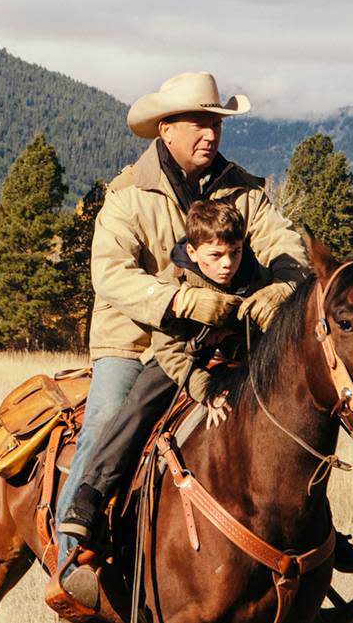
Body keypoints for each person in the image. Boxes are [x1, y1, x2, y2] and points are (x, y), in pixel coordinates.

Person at [51, 71, 353, 607]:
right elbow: (109, 274)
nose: (210, 134)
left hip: (230, 339)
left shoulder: (243, 189)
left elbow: (285, 245)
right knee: (109, 417)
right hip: (140, 341)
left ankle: (314, 550)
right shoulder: (129, 195)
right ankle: (74, 553)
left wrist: (284, 288)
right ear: (166, 128)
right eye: (199, 123)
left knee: (290, 418)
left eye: (216, 123)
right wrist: (178, 302)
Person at [59, 199, 265, 544]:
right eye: (216, 256)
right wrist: (206, 389)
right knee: (137, 406)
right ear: (194, 251)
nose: (228, 264)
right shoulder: (179, 283)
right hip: (180, 362)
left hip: (236, 361)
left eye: (235, 252)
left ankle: (321, 529)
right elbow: (169, 352)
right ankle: (90, 495)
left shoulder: (252, 278)